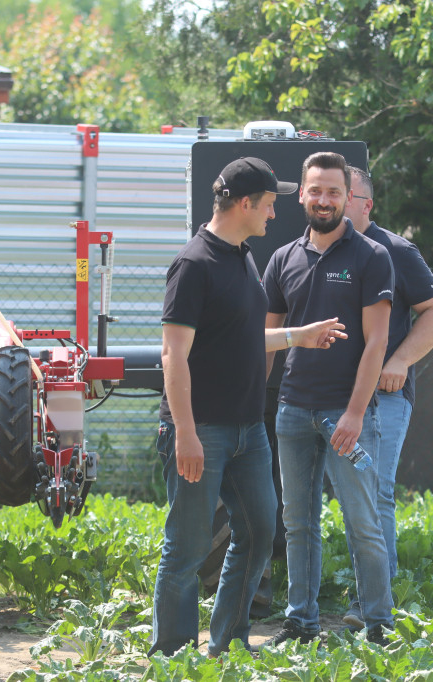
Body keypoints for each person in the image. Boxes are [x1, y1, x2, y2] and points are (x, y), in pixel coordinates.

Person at [150, 157, 349, 658]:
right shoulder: (194, 264)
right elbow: (173, 354)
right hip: (203, 431)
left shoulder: (242, 256)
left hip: (247, 431)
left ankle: (228, 644)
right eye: (267, 204)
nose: (273, 214)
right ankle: (171, 655)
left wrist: (299, 336)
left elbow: (242, 337)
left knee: (261, 531)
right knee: (187, 548)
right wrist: (187, 433)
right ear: (243, 205)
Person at [262, 151, 396, 646]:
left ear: (349, 197)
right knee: (298, 524)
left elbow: (377, 343)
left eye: (334, 192)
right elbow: (266, 339)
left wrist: (356, 414)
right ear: (301, 194)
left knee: (363, 522)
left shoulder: (370, 257)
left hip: (347, 414)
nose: (324, 199)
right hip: (293, 411)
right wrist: (254, 402)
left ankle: (379, 624)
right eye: (315, 190)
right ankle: (302, 623)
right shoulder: (283, 259)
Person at [340, 166, 433, 629]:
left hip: (384, 399)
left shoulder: (397, 251)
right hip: (335, 399)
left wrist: (400, 361)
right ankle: (366, 596)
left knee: (376, 492)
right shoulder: (321, 249)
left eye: (345, 195)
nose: (333, 202)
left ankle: (374, 608)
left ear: (366, 204)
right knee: (351, 497)